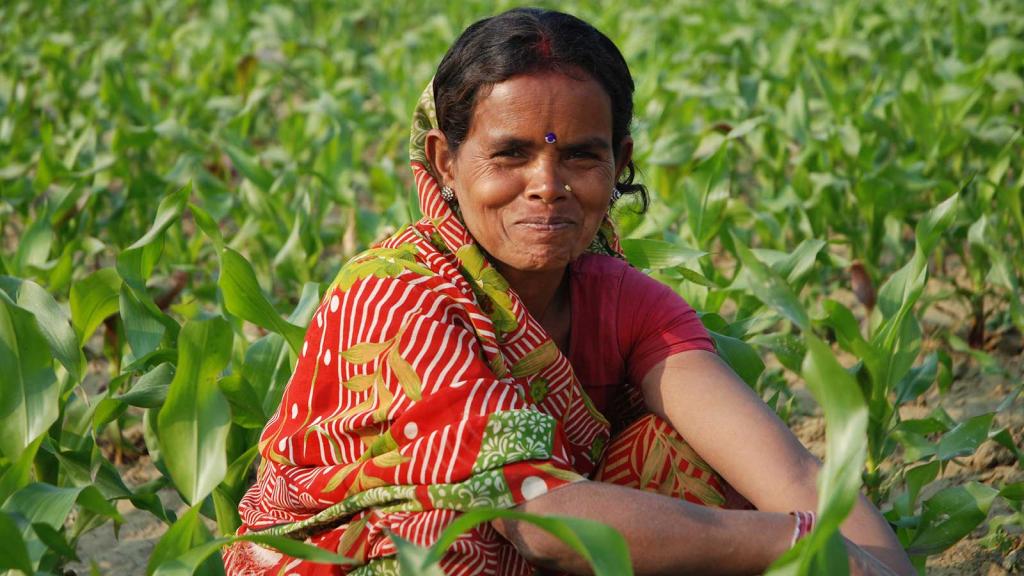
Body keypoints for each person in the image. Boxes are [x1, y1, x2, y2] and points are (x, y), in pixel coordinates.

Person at [226, 8, 914, 576]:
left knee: (676, 456)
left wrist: (879, 566)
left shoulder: (624, 302)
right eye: (511, 153)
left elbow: (789, 473)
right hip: (342, 558)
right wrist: (787, 540)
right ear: (445, 161)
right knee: (444, 531)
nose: (547, 184)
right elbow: (539, 517)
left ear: (620, 162)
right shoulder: (398, 296)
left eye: (580, 154)